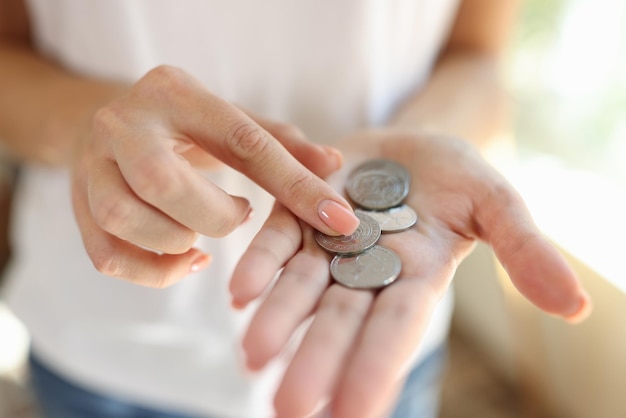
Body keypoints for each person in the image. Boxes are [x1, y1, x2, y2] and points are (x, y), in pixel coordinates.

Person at [0, 0, 591, 417]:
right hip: (103, 349)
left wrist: (425, 137)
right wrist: (90, 126)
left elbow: (478, 58)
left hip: (382, 334)